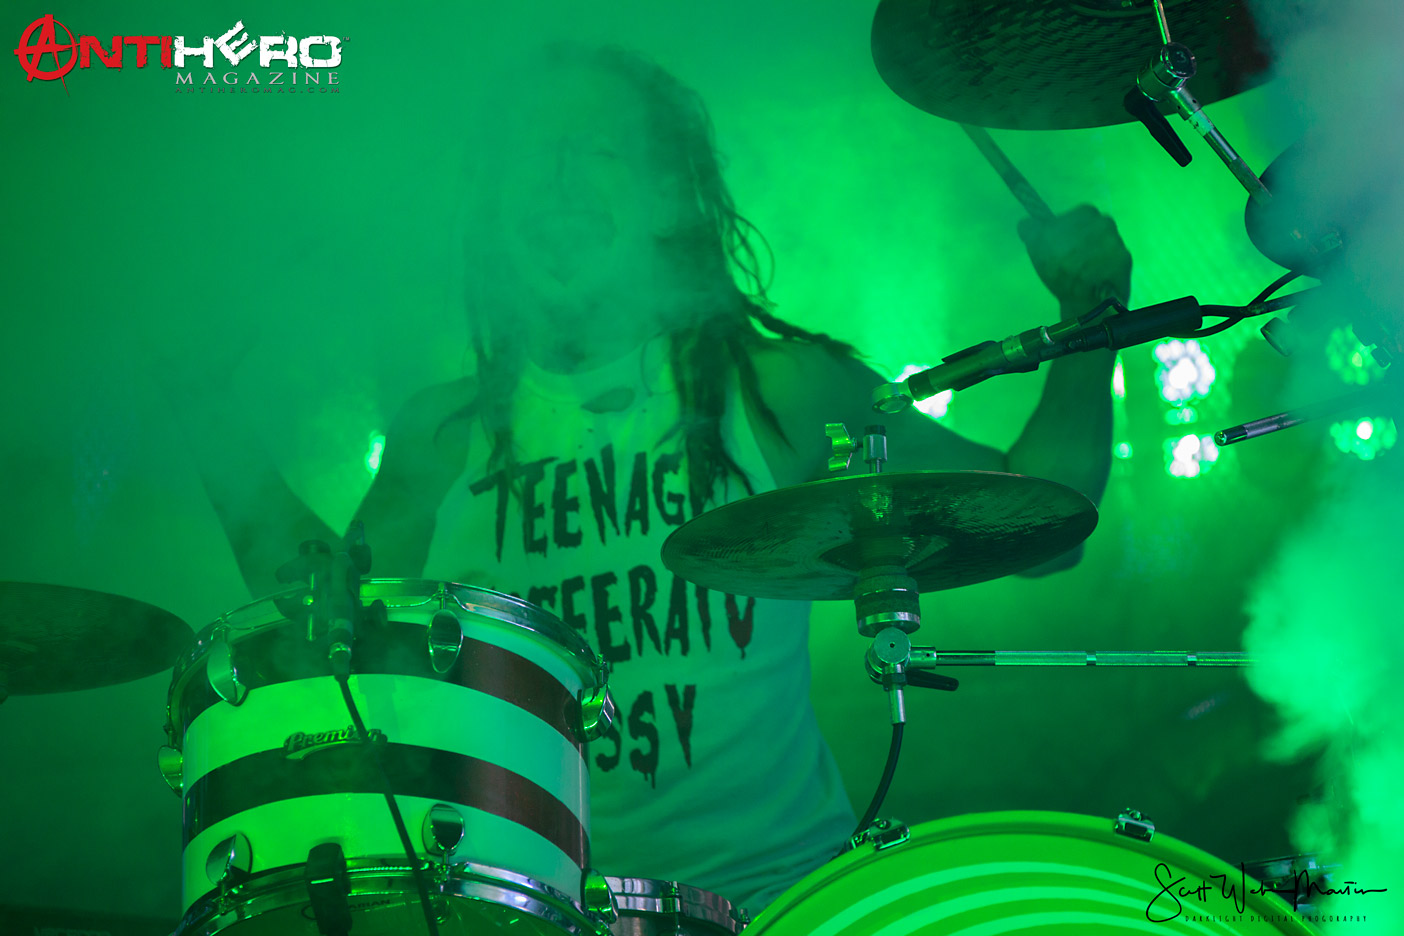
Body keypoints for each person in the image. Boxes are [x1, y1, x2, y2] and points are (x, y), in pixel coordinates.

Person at [174, 43, 1129, 913]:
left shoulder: (778, 391)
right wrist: (202, 406)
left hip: (781, 904)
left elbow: (1044, 520)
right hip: (530, 910)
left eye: (597, 149)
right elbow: (323, 621)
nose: (556, 177)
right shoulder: (444, 432)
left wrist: (1092, 311)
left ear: (671, 197)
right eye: (528, 153)